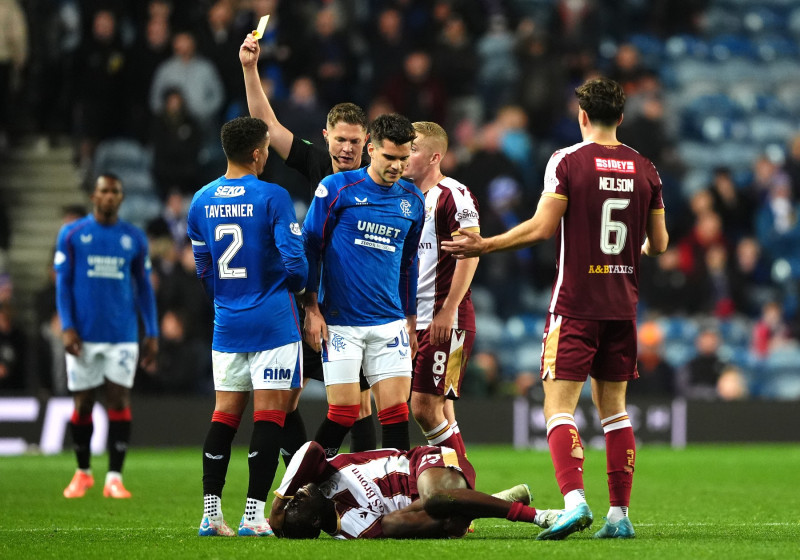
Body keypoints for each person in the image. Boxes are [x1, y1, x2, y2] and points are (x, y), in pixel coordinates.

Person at [443, 77, 670, 540]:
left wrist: (487, 244)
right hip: (622, 307)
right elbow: (660, 243)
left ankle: (574, 502)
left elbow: (543, 228)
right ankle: (619, 515)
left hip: (575, 305)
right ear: (621, 118)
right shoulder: (646, 168)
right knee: (616, 413)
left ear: (582, 115)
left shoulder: (567, 161)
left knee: (558, 408)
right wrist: (638, 248)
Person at [240, 31, 376, 458]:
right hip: (311, 300)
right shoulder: (317, 162)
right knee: (289, 392)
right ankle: (303, 481)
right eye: (340, 140)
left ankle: (357, 484)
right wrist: (249, 68)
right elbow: (268, 126)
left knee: (359, 403)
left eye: (355, 141)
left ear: (367, 141)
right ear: (326, 136)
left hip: (360, 305)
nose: (348, 148)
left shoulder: (382, 175)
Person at [187, 116, 307, 537]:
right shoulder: (273, 195)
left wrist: (226, 299)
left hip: (227, 322)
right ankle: (253, 516)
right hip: (272, 321)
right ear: (257, 153)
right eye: (267, 150)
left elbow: (203, 267)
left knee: (223, 417)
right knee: (270, 417)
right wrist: (292, 285)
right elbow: (296, 264)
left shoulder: (200, 200)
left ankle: (210, 514)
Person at [302, 113, 424, 457]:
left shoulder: (413, 201)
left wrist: (410, 318)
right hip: (340, 321)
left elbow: (408, 264)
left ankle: (396, 499)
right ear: (371, 149)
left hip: (389, 323)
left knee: (396, 412)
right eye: (389, 157)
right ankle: (308, 488)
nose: (397, 166)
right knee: (343, 412)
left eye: (404, 158)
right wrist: (311, 308)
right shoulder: (336, 189)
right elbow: (310, 247)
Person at [54, 174, 159, 499]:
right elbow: (63, 285)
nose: (110, 196)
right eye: (104, 191)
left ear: (122, 197)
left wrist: (152, 331)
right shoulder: (72, 234)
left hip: (122, 334)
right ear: (94, 197)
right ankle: (82, 472)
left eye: (115, 191)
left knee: (118, 399)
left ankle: (114, 477)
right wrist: (67, 326)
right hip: (84, 334)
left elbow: (144, 288)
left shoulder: (134, 238)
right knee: (83, 403)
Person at [269, 440, 560, 539]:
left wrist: (279, 504)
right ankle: (470, 510)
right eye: (296, 506)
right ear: (316, 522)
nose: (298, 497)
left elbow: (310, 448)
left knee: (434, 499)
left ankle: (540, 516)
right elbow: (405, 522)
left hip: (423, 461)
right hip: (426, 499)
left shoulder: (321, 473)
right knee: (406, 518)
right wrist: (446, 522)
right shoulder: (352, 531)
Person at [402, 121, 479, 455]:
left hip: (446, 318)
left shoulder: (454, 195)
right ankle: (459, 489)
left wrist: (448, 311)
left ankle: (461, 481)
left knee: (423, 407)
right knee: (442, 408)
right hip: (413, 319)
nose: (405, 155)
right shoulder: (403, 197)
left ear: (434, 157)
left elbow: (470, 252)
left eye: (413, 148)